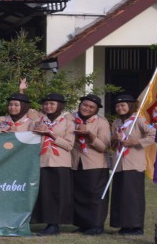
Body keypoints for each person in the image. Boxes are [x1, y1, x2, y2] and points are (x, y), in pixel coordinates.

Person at [110, 93, 156, 236]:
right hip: (118, 164)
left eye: (123, 105)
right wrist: (114, 138)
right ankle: (124, 224)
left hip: (134, 163)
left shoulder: (139, 120)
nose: (119, 108)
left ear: (130, 106)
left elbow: (154, 135)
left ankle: (136, 226)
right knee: (120, 195)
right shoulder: (116, 123)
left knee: (133, 196)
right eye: (117, 106)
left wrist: (134, 142)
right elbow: (111, 144)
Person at [31, 93, 75, 236]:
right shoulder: (37, 121)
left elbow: (69, 145)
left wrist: (50, 134)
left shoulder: (68, 122)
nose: (48, 106)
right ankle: (45, 222)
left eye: (52, 104)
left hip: (60, 161)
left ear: (59, 106)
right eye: (46, 104)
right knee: (45, 193)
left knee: (58, 194)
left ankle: (55, 224)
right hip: (42, 161)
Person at [70, 94, 111, 235]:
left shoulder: (101, 122)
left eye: (91, 107)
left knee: (95, 196)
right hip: (76, 161)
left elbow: (104, 146)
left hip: (95, 163)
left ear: (96, 109)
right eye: (84, 105)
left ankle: (96, 225)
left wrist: (90, 135)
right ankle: (83, 224)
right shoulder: (70, 118)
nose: (87, 108)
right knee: (79, 194)